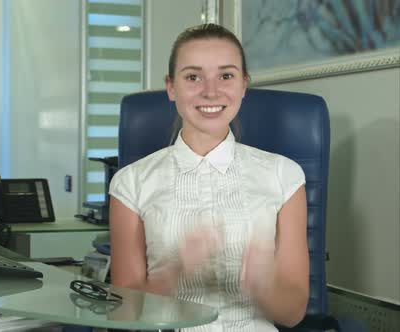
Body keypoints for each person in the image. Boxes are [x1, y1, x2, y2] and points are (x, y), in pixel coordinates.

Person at [108, 23, 309, 331]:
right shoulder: (130, 183)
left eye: (226, 76)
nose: (211, 91)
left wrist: (260, 284)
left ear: (244, 84)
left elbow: (293, 313)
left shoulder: (285, 175)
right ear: (171, 87)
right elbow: (125, 315)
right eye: (193, 77)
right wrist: (173, 273)